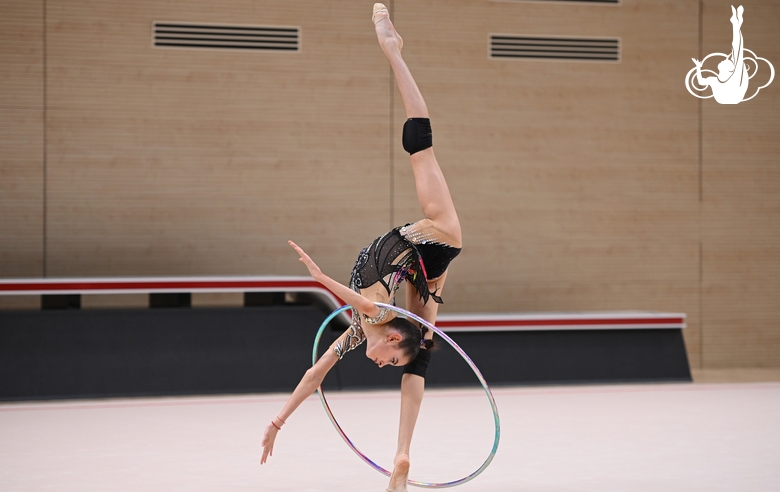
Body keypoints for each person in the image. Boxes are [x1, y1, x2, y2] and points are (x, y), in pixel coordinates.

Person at [260, 4, 462, 491]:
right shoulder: (373, 319)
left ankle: (402, 456)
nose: (379, 365)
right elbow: (368, 305)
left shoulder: (360, 332)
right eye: (389, 360)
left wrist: (277, 422)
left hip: (431, 264)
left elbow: (314, 375)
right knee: (420, 145)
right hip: (433, 236)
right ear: (389, 340)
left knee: (425, 349)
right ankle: (393, 51)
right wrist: (320, 278)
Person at [692, 5, 748, 104]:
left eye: (726, 61)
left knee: (737, 51)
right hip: (730, 97)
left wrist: (698, 67)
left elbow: (737, 49)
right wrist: (698, 67)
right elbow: (700, 82)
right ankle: (736, 24)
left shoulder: (727, 78)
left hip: (732, 96)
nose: (724, 59)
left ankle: (736, 24)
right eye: (728, 60)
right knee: (737, 52)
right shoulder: (718, 79)